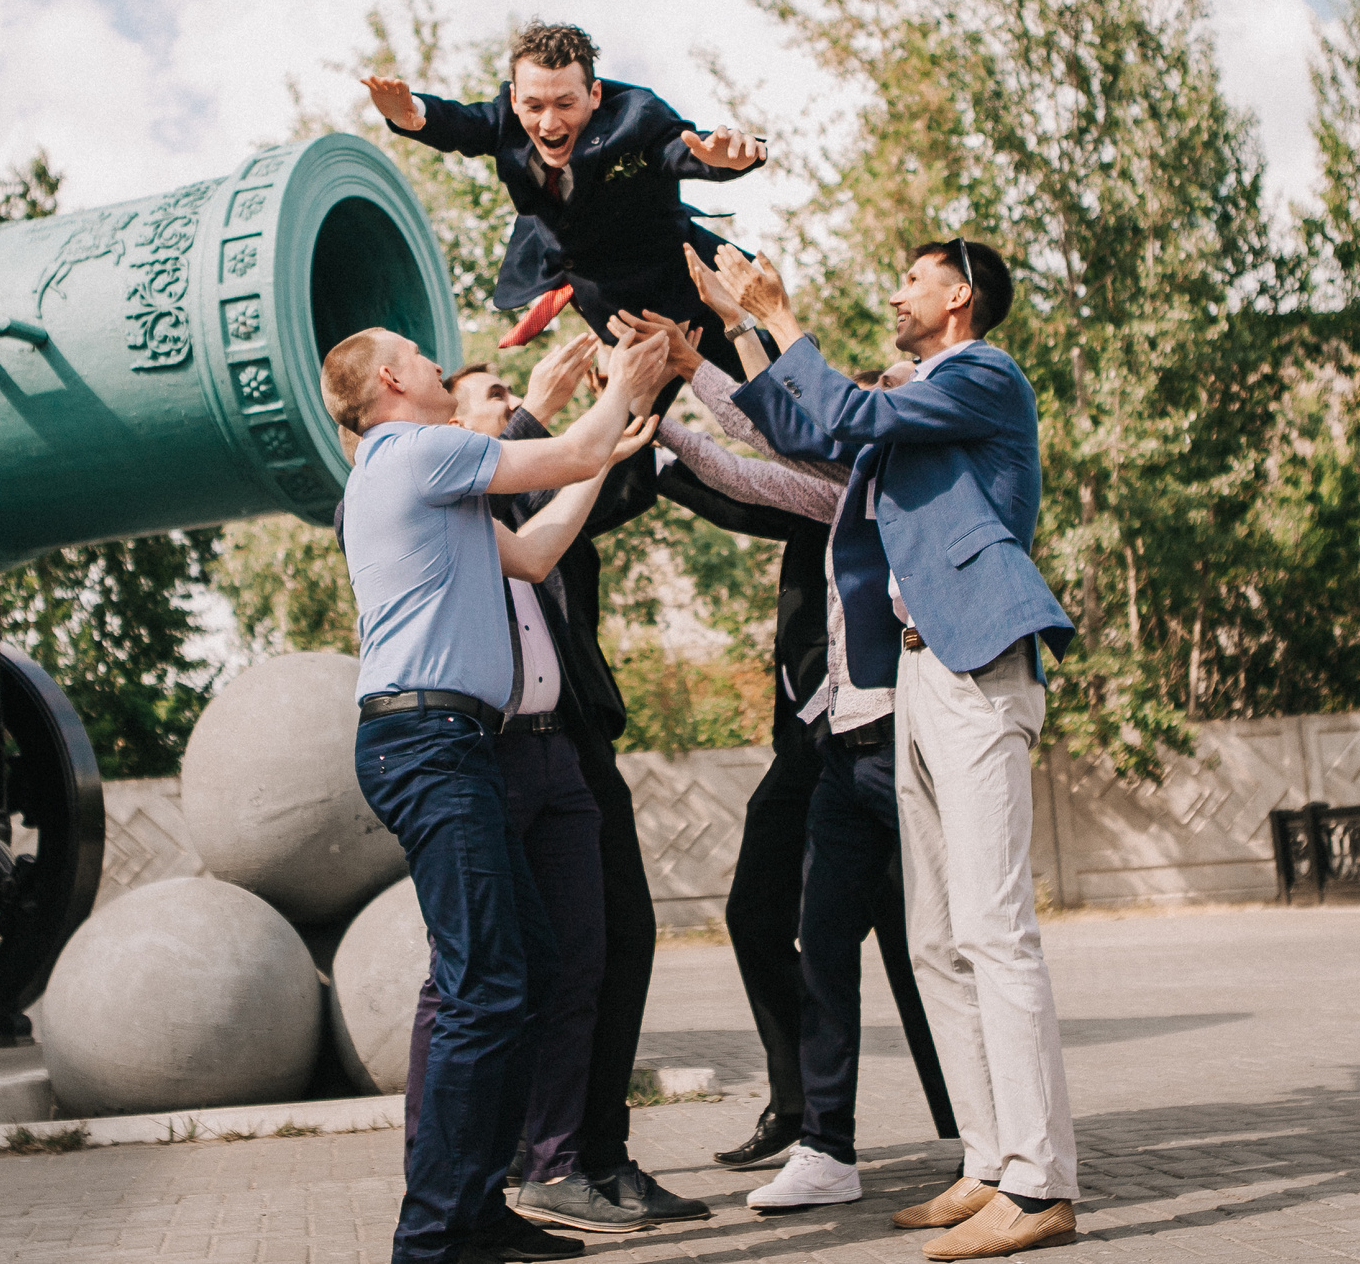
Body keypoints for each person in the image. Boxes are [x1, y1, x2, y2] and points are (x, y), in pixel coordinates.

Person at [716, 240, 1082, 1260]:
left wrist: (783, 313)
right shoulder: (911, 405)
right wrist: (740, 325)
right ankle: (989, 1163)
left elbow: (850, 411)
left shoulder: (980, 376)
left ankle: (1044, 1182)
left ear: (958, 297)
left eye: (912, 280)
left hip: (976, 664)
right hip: (914, 672)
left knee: (995, 928)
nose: (894, 293)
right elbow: (799, 424)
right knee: (932, 938)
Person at [326, 322, 671, 1264]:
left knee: (519, 972)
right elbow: (563, 446)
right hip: (427, 741)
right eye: (424, 356)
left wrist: (604, 452)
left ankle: (474, 1209)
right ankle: (433, 1237)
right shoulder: (414, 449)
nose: (443, 364)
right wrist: (625, 392)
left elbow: (536, 550)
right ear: (392, 380)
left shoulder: (425, 478)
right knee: (485, 987)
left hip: (447, 742)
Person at [609, 300, 958, 1213]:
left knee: (943, 942)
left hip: (908, 738)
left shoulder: (904, 480)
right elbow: (747, 457)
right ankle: (824, 1139)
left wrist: (728, 346)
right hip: (835, 746)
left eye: (880, 392)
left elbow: (782, 427)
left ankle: (981, 1128)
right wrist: (676, 396)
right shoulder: (834, 486)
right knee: (821, 940)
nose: (867, 396)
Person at [396, 337, 710, 1235]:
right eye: (490, 396)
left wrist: (638, 394)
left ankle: (570, 1158)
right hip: (477, 752)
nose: (509, 403)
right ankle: (466, 1190)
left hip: (563, 747)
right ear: (454, 425)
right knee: (474, 978)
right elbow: (530, 475)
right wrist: (540, 405)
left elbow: (573, 497)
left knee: (588, 955)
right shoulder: (431, 484)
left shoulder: (513, 496)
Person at [361, 21, 766, 380]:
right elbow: (463, 124)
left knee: (769, 384)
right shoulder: (507, 120)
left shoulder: (635, 117)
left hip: (681, 280)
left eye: (566, 105)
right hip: (611, 305)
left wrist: (720, 159)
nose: (549, 124)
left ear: (594, 94)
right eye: (534, 106)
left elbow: (676, 149)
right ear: (516, 98)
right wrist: (412, 114)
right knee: (631, 431)